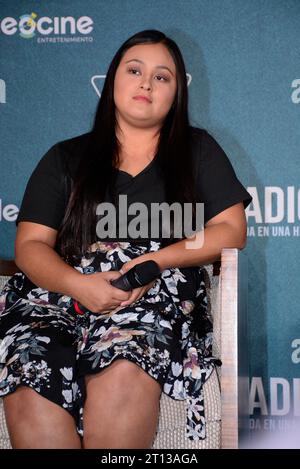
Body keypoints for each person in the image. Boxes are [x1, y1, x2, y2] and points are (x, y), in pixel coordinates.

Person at [0, 29, 252, 449]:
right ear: (112, 79)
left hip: (153, 292)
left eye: (162, 76)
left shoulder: (197, 151)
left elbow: (231, 229)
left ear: (177, 93)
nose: (146, 83)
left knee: (124, 365)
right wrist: (79, 285)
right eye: (134, 70)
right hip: (59, 295)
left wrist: (156, 262)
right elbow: (30, 246)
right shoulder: (65, 157)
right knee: (29, 373)